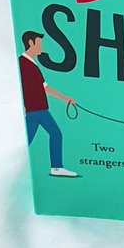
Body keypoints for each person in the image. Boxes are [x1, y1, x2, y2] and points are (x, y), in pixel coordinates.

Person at [19, 31, 78, 177]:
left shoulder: (32, 63)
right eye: (39, 43)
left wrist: (66, 98)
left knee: (30, 138)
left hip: (38, 109)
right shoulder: (23, 63)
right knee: (53, 134)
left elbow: (45, 87)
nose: (41, 47)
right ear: (31, 43)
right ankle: (56, 167)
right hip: (36, 110)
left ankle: (56, 167)